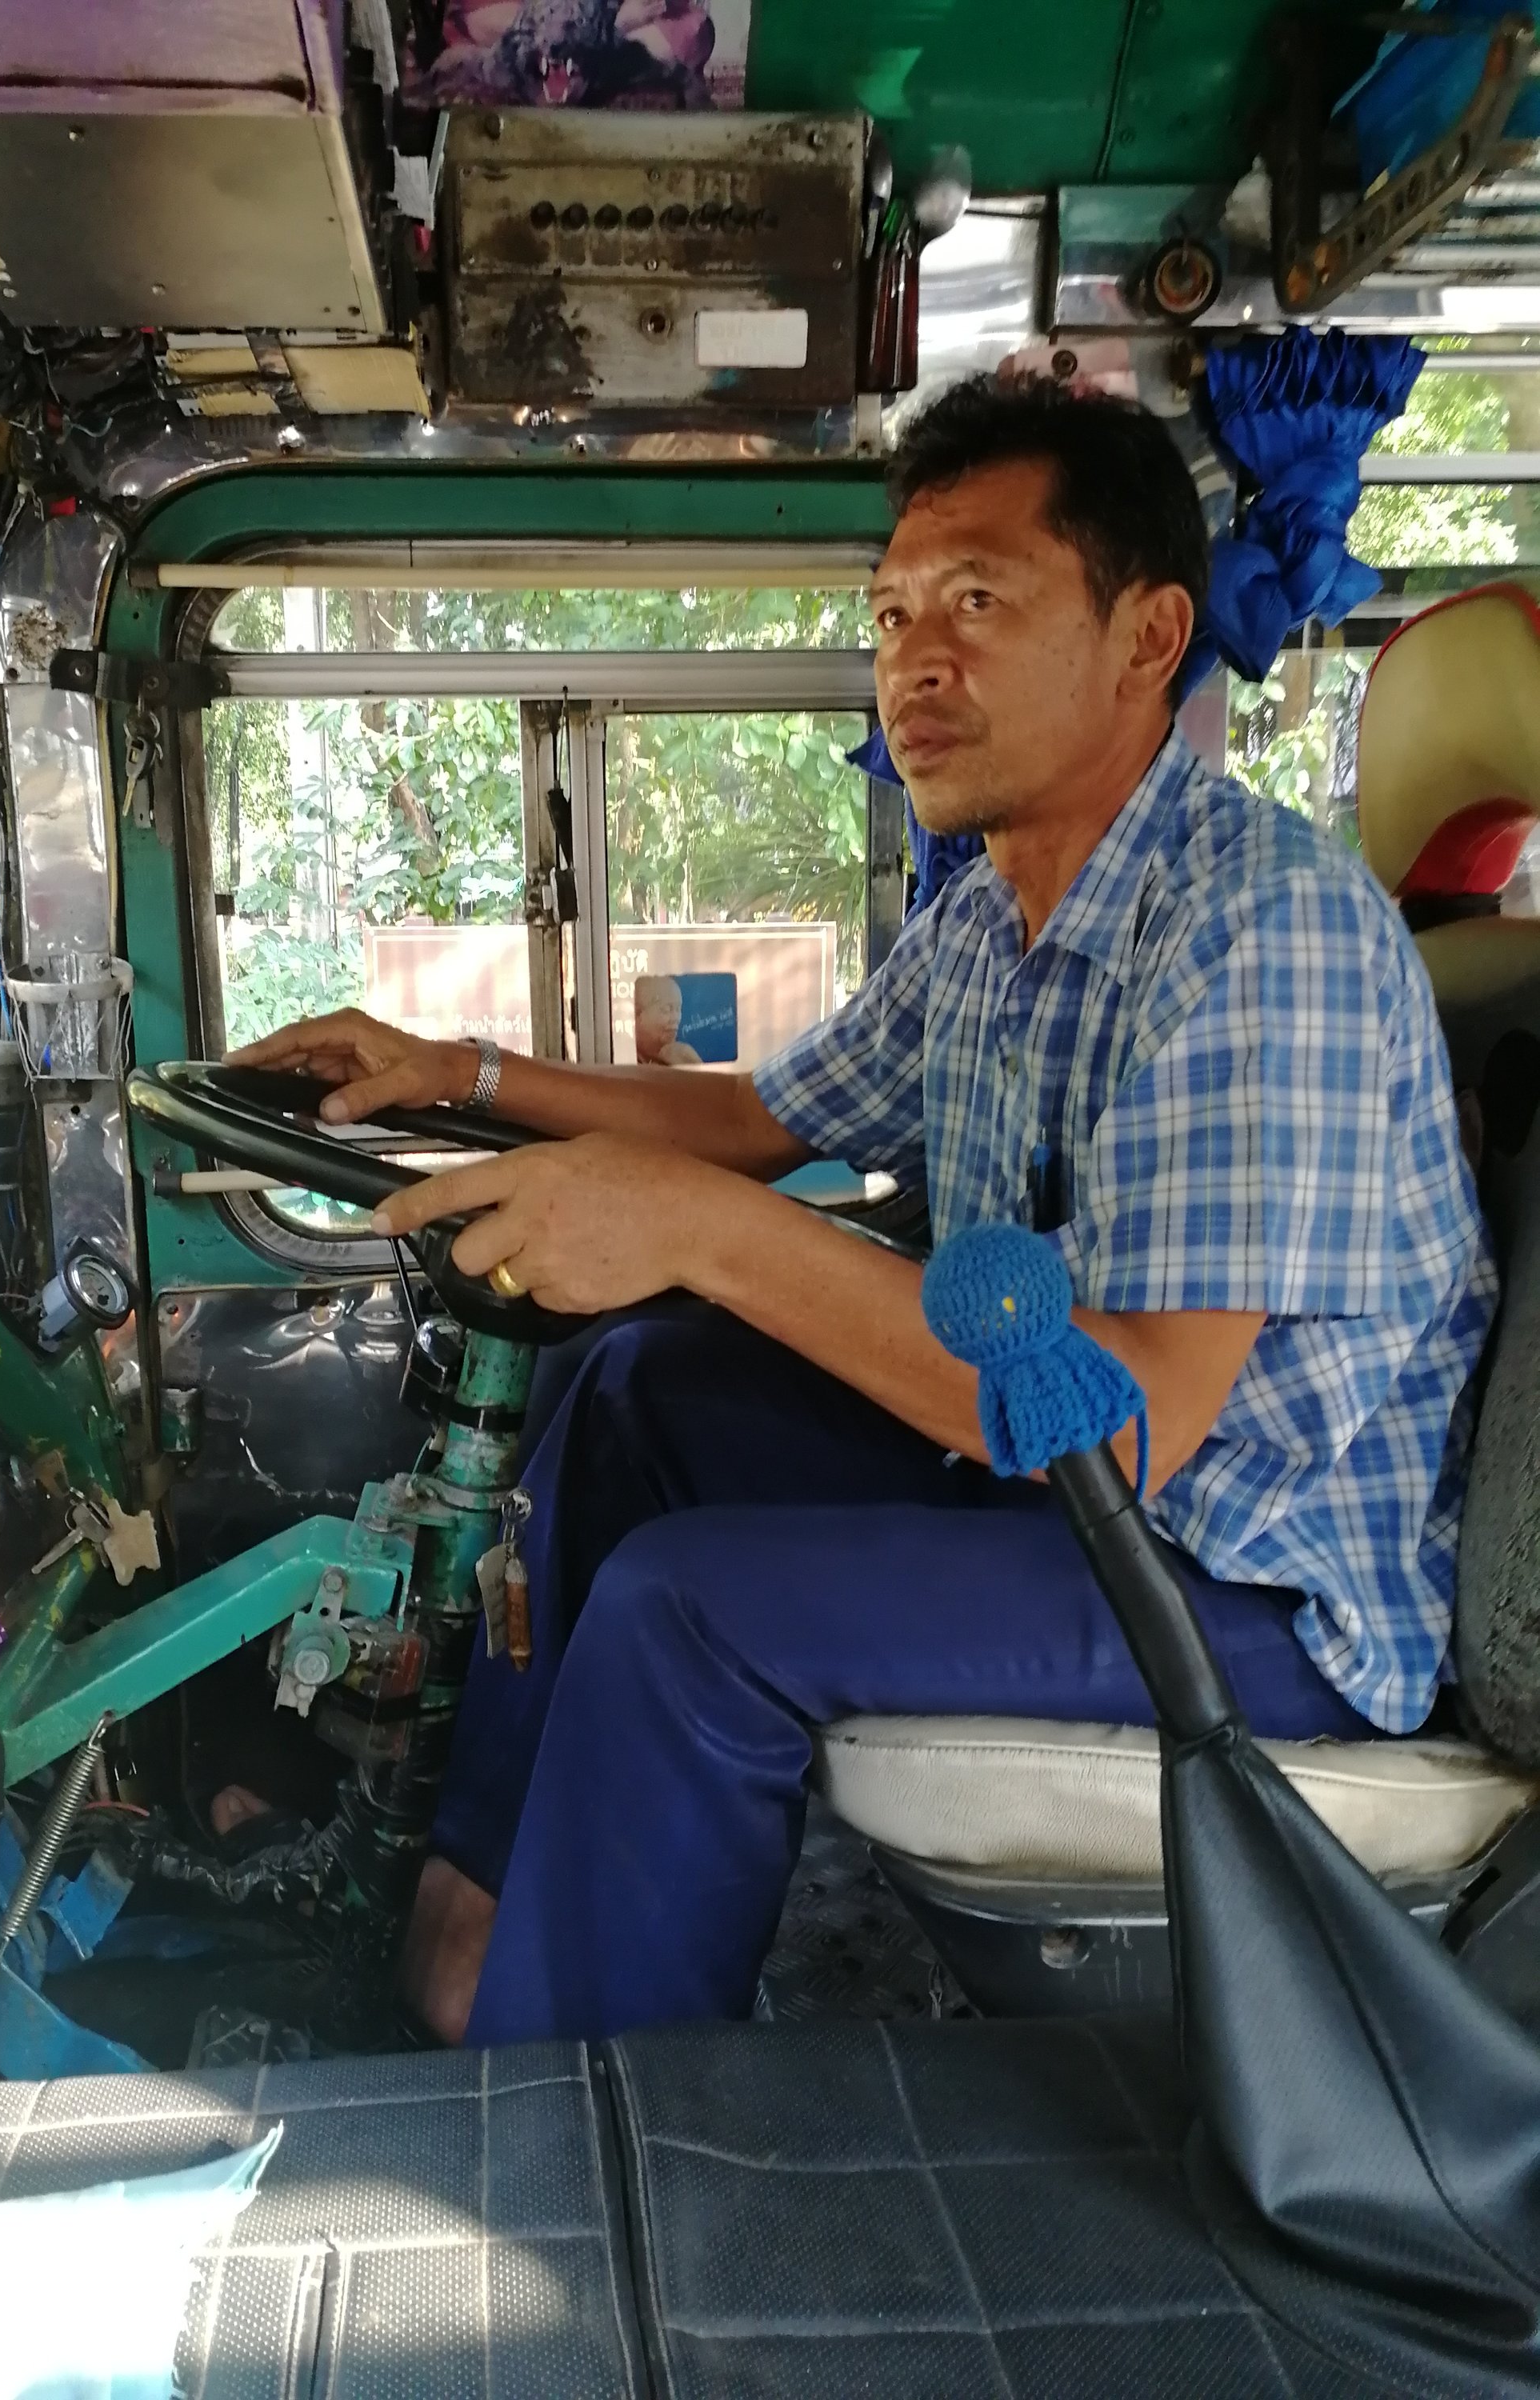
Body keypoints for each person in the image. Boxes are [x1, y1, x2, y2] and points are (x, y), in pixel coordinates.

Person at [233, 375, 1496, 2049]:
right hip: (1071, 1511)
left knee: (693, 1610)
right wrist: (455, 1070)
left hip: (1251, 1596)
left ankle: (573, 2107)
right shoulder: (987, 925)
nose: (913, 662)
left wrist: (693, 1231)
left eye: (979, 602)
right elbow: (755, 1120)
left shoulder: (1264, 933)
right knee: (632, 1392)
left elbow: (1127, 1425)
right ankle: (469, 1919)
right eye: (892, 613)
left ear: (1147, 637)